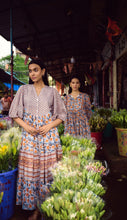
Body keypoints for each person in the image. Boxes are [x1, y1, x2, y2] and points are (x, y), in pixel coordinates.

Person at [9, 59, 66, 220]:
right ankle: (33, 207)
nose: (32, 73)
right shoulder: (23, 90)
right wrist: (26, 127)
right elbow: (14, 113)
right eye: (30, 71)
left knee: (47, 172)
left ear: (43, 71)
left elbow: (62, 115)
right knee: (31, 172)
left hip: (48, 137)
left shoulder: (52, 92)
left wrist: (49, 126)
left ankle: (43, 208)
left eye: (35, 70)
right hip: (30, 137)